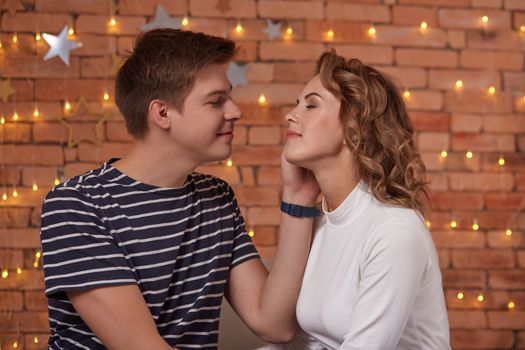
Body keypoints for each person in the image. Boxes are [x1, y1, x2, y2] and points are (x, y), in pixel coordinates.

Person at [40, 29, 320, 350]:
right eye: (216, 101)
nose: (235, 112)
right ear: (162, 114)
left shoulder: (216, 198)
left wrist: (299, 197)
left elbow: (274, 325)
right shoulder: (76, 205)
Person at [265, 50, 451, 349]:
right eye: (298, 103)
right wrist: (295, 195)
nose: (292, 114)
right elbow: (293, 336)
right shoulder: (322, 221)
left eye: (311, 105)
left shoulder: (394, 232)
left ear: (355, 126)